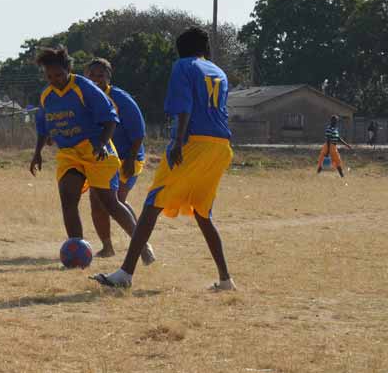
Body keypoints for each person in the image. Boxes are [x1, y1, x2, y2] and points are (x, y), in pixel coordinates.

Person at [91, 27, 235, 291]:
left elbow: (184, 107)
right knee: (203, 212)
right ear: (205, 49)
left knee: (152, 204)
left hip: (194, 142)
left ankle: (125, 274)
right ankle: (226, 280)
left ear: (181, 50)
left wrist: (178, 141)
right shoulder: (219, 72)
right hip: (221, 146)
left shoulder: (183, 65)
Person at [29, 47, 154, 262]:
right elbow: (42, 126)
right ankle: (77, 253)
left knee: (110, 203)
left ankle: (141, 247)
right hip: (69, 153)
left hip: (96, 151)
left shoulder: (84, 87)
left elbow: (111, 118)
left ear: (68, 70)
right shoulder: (46, 95)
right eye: (49, 77)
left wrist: (102, 143)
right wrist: (37, 152)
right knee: (68, 199)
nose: (54, 80)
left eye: (58, 75)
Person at [84, 58, 147, 259]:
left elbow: (139, 131)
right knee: (97, 202)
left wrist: (130, 159)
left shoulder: (120, 98)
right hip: (102, 158)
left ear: (108, 78)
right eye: (91, 75)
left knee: (116, 200)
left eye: (100, 75)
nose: (95, 79)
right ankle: (107, 247)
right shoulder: (84, 98)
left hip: (128, 157)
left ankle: (141, 245)